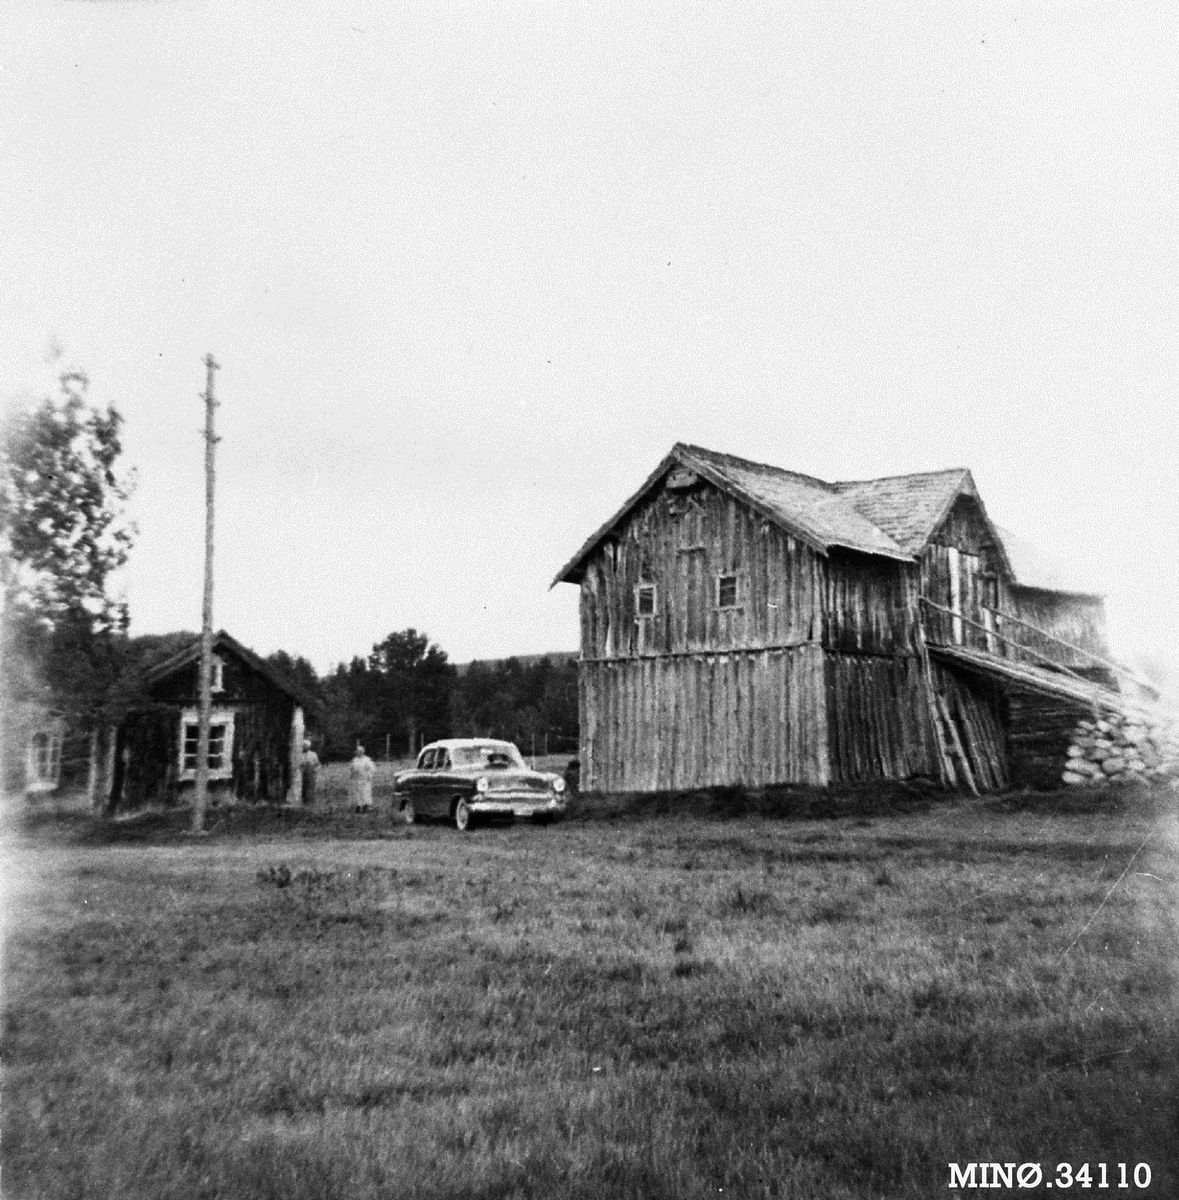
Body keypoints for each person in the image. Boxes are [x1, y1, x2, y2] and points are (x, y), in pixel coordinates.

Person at [349, 743, 375, 813]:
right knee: (357, 792)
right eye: (356, 751)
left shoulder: (367, 759)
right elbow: (351, 768)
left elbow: (372, 769)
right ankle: (358, 806)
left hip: (364, 779)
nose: (356, 752)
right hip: (356, 778)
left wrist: (368, 776)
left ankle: (365, 807)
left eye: (357, 751)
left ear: (361, 752)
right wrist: (352, 774)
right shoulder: (354, 759)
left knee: (365, 792)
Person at [300, 739, 320, 807]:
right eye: (304, 745)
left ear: (309, 746)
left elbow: (317, 764)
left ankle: (311, 801)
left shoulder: (313, 754)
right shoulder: (300, 754)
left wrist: (315, 771)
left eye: (306, 745)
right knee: (303, 787)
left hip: (311, 772)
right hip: (303, 773)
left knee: (310, 787)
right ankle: (304, 801)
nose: (305, 747)